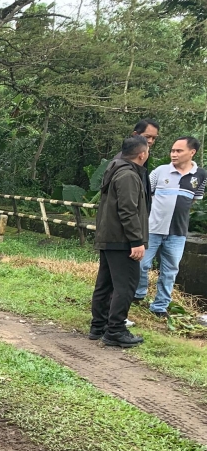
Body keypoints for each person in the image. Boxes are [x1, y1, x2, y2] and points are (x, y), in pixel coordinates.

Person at [134, 136, 204, 317]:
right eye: (172, 150)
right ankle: (138, 294)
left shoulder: (200, 175)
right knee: (142, 265)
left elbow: (194, 200)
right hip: (153, 229)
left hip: (178, 232)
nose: (173, 154)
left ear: (192, 152)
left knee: (170, 270)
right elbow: (144, 196)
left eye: (179, 151)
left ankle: (160, 306)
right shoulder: (160, 171)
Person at [89, 136, 149, 348]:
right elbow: (128, 210)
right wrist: (137, 240)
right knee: (126, 285)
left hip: (109, 237)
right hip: (121, 239)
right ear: (142, 154)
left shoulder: (114, 168)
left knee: (105, 283)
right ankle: (115, 329)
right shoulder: (128, 175)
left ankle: (99, 325)